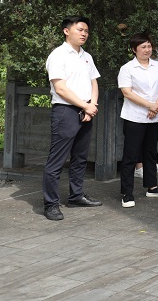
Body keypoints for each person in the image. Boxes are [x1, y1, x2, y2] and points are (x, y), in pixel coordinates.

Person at [42, 16, 102, 220]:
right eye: (80, 29)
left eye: (86, 30)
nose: (84, 33)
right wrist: (85, 106)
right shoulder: (58, 55)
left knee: (80, 157)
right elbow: (60, 88)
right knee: (57, 160)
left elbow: (94, 83)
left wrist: (91, 106)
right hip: (65, 111)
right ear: (66, 31)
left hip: (87, 110)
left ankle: (76, 196)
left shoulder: (87, 56)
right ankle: (50, 204)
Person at [118, 32, 158, 208]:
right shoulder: (127, 68)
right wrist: (150, 105)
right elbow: (127, 92)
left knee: (150, 151)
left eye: (149, 46)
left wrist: (156, 105)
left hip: (156, 116)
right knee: (131, 154)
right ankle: (127, 193)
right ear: (134, 50)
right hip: (135, 116)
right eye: (143, 47)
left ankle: (152, 186)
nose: (147, 49)